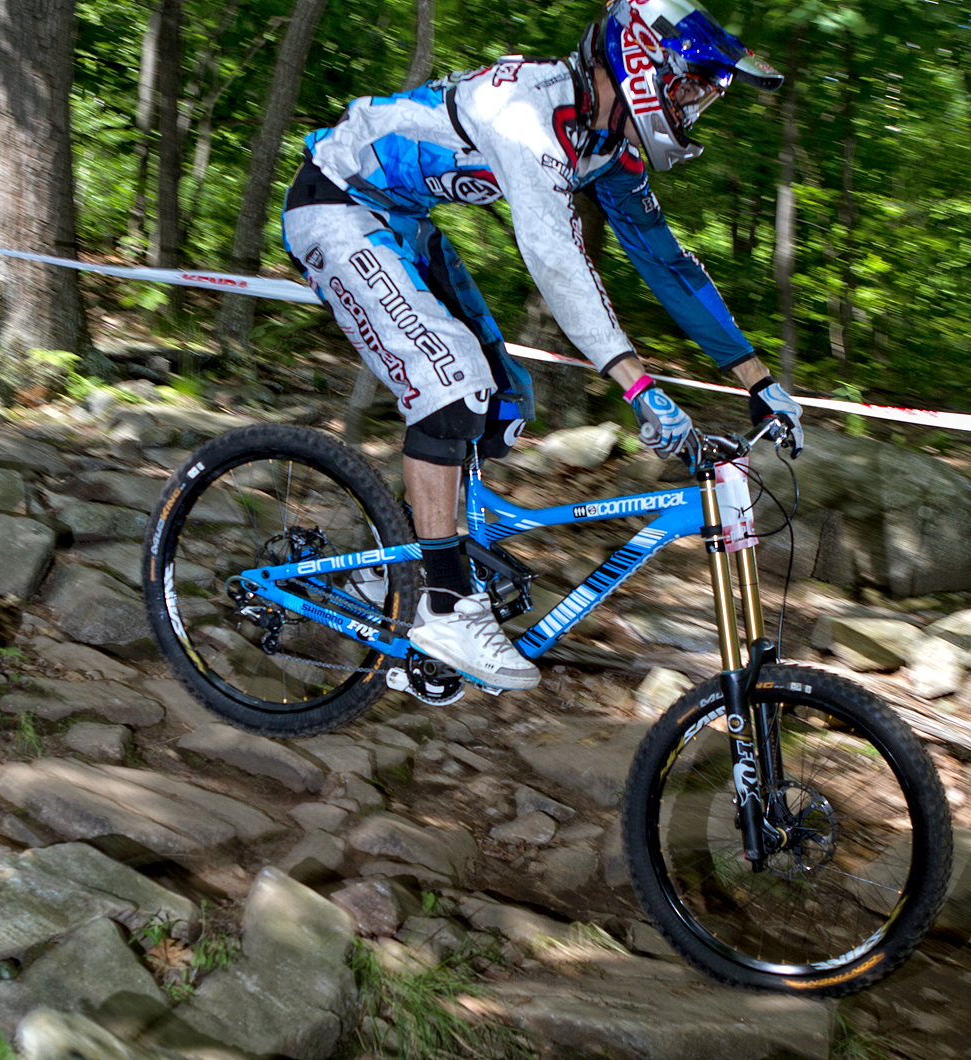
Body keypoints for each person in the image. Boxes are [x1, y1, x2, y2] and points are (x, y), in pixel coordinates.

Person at [281, 0, 805, 692]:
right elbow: (556, 259)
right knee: (452, 384)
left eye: (705, 96)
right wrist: (636, 384)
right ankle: (443, 604)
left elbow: (668, 264)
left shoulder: (607, 148)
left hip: (399, 219)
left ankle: (394, 577)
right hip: (335, 201)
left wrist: (758, 379)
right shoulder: (528, 113)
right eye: (690, 86)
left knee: (501, 404)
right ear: (642, 64)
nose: (695, 107)